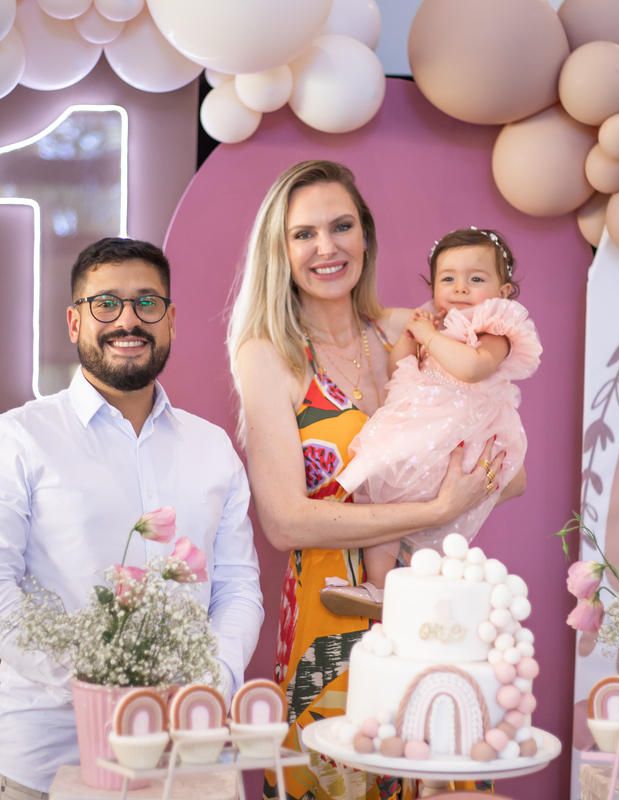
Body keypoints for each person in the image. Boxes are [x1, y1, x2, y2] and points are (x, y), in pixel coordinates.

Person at [227, 161, 525, 800]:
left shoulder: (407, 331)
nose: (326, 247)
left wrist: (465, 483)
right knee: (339, 778)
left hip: (430, 609)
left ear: (365, 234)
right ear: (280, 250)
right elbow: (285, 521)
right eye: (303, 234)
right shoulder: (270, 354)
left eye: (341, 226)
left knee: (436, 772)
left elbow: (510, 470)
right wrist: (439, 504)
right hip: (330, 612)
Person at [0, 238, 264, 800]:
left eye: (147, 303)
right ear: (75, 322)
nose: (128, 320)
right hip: (48, 762)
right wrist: (105, 681)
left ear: (171, 321)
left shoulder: (213, 448)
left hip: (186, 756)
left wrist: (209, 682)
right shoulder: (16, 438)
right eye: (106, 304)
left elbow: (237, 587)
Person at [331, 227, 541, 593]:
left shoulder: (495, 330)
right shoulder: (436, 325)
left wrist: (430, 337)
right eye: (448, 279)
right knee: (387, 498)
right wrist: (409, 338)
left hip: (466, 431)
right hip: (425, 429)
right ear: (433, 288)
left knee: (432, 527)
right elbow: (399, 368)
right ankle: (377, 587)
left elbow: (472, 367)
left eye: (476, 279)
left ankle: (423, 588)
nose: (460, 288)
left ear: (503, 291)